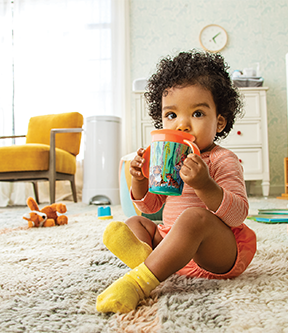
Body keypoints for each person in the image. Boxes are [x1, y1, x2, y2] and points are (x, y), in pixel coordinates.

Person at [96, 50, 256, 313]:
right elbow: (150, 207)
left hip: (215, 253)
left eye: (197, 114)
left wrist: (205, 184)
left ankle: (139, 282)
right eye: (172, 115)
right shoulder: (169, 157)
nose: (182, 125)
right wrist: (140, 180)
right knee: (136, 223)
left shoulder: (222, 160)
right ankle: (152, 260)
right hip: (173, 245)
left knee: (195, 217)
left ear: (219, 121)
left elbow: (238, 215)